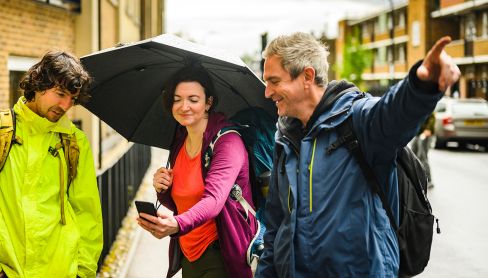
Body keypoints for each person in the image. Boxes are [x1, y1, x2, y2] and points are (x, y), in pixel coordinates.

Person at [256, 32, 460, 277]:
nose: (267, 92)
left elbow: (392, 114)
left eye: (274, 81)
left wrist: (421, 85)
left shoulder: (356, 119)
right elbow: (276, 227)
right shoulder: (285, 140)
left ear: (307, 77)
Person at [0, 51, 103, 278]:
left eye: (72, 99)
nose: (65, 105)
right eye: (60, 94)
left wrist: (83, 272)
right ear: (38, 85)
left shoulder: (75, 141)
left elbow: (88, 214)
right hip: (6, 270)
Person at [136, 66, 258, 278]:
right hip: (188, 254)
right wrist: (163, 188)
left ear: (208, 102)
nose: (184, 106)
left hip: (222, 255)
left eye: (193, 99)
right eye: (177, 99)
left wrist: (176, 224)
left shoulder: (228, 143)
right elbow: (181, 202)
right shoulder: (180, 140)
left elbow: (213, 201)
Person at [411, 112, 436, 188]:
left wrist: (428, 129)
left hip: (425, 135)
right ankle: (415, 180)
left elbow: (432, 117)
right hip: (417, 134)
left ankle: (429, 180)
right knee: (412, 156)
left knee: (422, 157)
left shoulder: (426, 103)